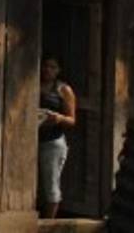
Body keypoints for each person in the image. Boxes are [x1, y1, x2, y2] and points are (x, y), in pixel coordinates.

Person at [38, 55, 77, 219]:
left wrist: (58, 118)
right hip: (29, 142)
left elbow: (72, 120)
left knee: (51, 184)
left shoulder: (63, 90)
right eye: (45, 66)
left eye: (52, 67)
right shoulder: (33, 84)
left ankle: (48, 225)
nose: (47, 69)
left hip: (52, 143)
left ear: (58, 70)